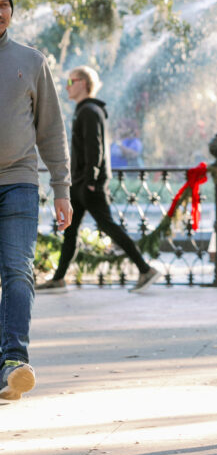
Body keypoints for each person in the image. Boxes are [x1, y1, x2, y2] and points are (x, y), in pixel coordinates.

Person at [0, 0, 72, 402]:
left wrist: (61, 188)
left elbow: (51, 131)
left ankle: (13, 360)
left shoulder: (31, 60)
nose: (0, 12)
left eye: (5, 5)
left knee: (18, 270)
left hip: (20, 182)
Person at [36, 67, 160, 293]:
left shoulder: (89, 111)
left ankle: (145, 269)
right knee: (71, 230)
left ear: (83, 83)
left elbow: (96, 148)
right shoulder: (87, 110)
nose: (67, 86)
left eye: (71, 81)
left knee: (108, 226)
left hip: (88, 183)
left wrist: (91, 180)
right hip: (82, 182)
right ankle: (59, 278)